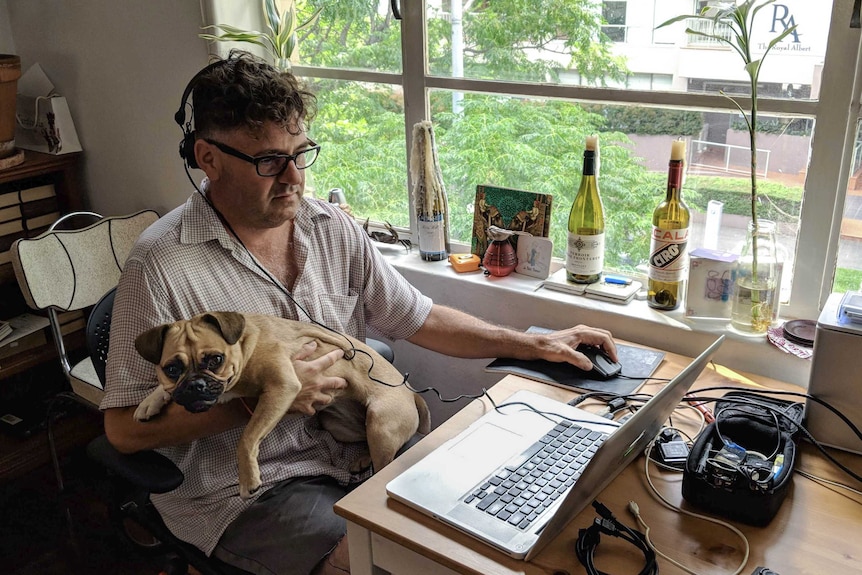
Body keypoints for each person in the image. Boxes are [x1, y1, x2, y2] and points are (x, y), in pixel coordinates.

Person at [101, 50, 617, 575]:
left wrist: (536, 343)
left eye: (301, 154)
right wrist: (262, 399)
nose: (293, 178)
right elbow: (122, 430)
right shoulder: (160, 266)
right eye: (268, 161)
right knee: (393, 560)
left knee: (491, 515)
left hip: (355, 454)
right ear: (207, 158)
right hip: (248, 490)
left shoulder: (331, 227)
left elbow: (416, 317)